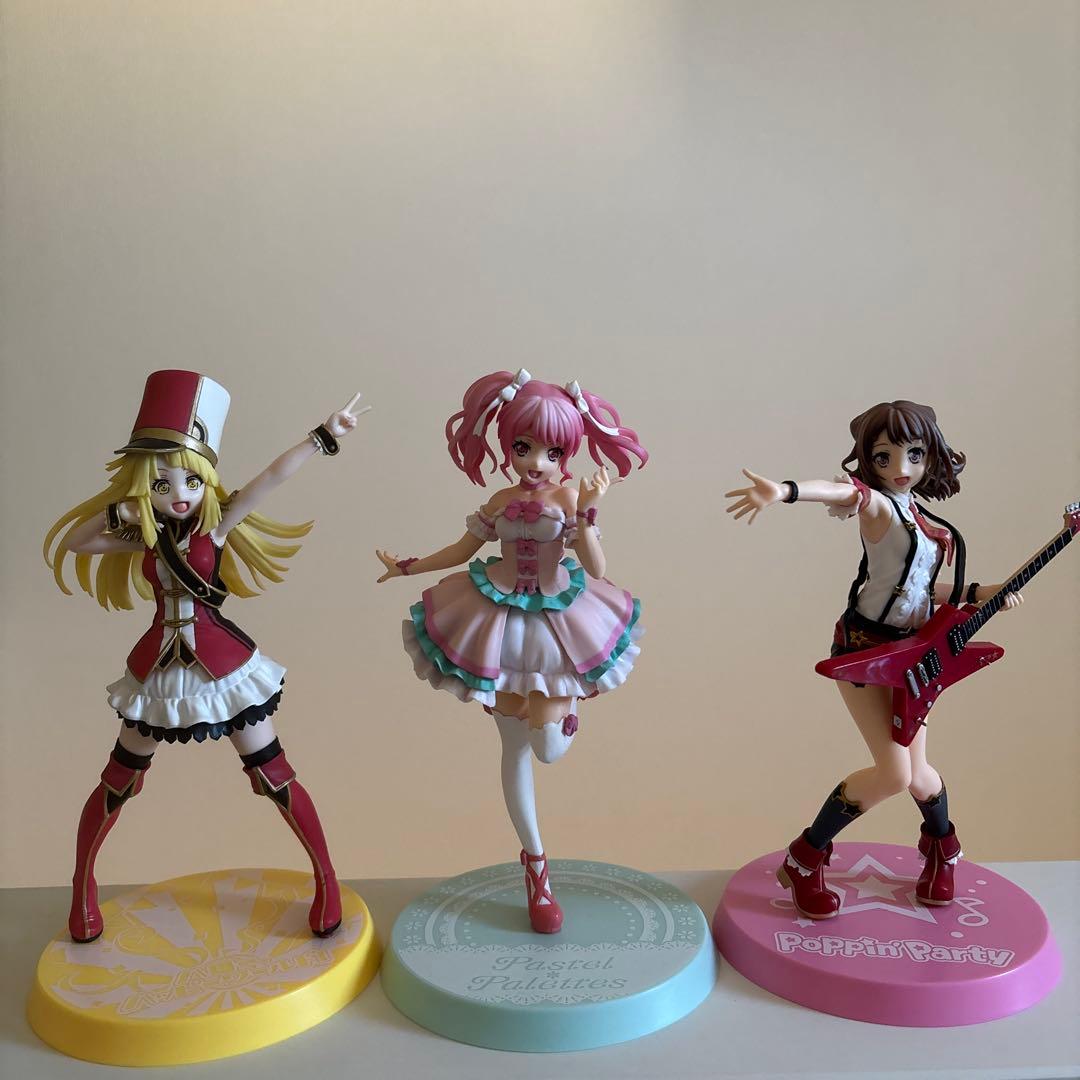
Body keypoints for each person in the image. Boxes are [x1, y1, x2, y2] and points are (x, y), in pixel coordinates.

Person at [45, 369, 367, 941]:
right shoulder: (145, 535)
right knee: (119, 780)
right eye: (162, 483)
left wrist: (322, 436)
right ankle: (82, 887)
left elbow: (270, 478)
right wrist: (126, 512)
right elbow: (78, 541)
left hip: (222, 668)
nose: (180, 494)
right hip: (158, 672)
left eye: (191, 481)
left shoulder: (214, 529)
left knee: (272, 773)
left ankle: (327, 877)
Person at [725, 400, 1021, 919]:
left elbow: (925, 592)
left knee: (920, 774)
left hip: (915, 657)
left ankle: (943, 848)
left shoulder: (925, 519)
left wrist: (985, 592)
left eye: (913, 454)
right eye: (885, 457)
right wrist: (786, 491)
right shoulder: (880, 507)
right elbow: (843, 492)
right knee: (894, 774)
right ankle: (804, 856)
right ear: (870, 461)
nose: (900, 468)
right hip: (866, 651)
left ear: (930, 455)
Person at [377, 369, 647, 933]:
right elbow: (461, 550)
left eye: (552, 451)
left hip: (555, 624)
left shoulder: (569, 497)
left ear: (567, 452)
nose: (536, 461)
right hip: (496, 623)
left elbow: (597, 568)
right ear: (508, 445)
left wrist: (589, 512)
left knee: (547, 748)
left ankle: (567, 716)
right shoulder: (500, 499)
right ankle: (536, 868)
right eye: (523, 447)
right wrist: (407, 567)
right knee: (513, 748)